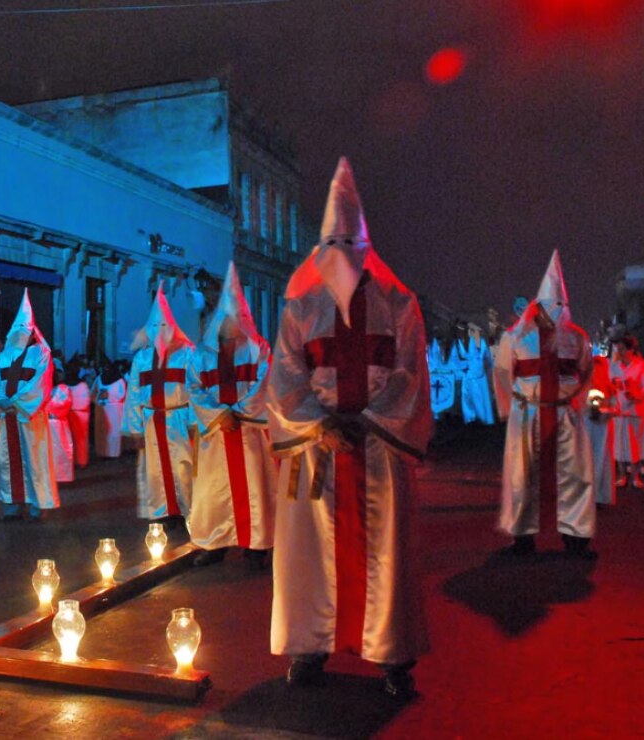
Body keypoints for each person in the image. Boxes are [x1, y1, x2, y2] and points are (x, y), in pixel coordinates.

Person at [267, 157, 433, 698]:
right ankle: (309, 646)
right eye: (331, 244)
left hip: (377, 448)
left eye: (348, 243)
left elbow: (411, 373)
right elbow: (285, 377)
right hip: (317, 450)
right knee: (309, 553)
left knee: (385, 550)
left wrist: (369, 421)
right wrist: (319, 426)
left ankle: (392, 654)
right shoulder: (300, 308)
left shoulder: (398, 304)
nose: (340, 255)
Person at [493, 250, 595, 558]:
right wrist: (511, 409)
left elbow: (587, 372)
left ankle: (576, 536)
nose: (556, 311)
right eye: (552, 305)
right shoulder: (516, 336)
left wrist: (578, 402)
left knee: (574, 475)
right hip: (528, 414)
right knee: (522, 475)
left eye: (561, 306)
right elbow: (502, 373)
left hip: (565, 415)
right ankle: (522, 536)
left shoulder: (577, 338)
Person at [188, 262, 275, 569]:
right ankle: (215, 543)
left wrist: (237, 414)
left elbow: (266, 383)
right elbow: (194, 388)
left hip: (249, 432)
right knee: (214, 491)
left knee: (255, 487)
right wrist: (218, 416)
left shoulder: (258, 349)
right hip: (217, 435)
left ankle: (256, 546)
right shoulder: (202, 354)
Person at [123, 284, 198, 523]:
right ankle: (162, 514)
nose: (159, 331)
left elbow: (196, 389)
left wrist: (193, 421)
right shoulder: (142, 358)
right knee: (154, 470)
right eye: (155, 326)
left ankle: (188, 513)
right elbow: (134, 394)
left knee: (183, 468)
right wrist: (135, 428)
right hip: (151, 422)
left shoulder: (187, 354)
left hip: (178, 420)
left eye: (163, 326)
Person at [0, 291, 59, 522]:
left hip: (29, 418)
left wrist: (15, 403)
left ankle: (38, 505)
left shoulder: (41, 354)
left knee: (34, 461)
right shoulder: (5, 356)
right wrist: (0, 403)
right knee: (8, 461)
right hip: (8, 418)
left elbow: (41, 384)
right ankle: (13, 504)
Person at [609, 335, 644, 489]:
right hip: (619, 409)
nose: (619, 352)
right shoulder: (613, 366)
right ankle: (621, 475)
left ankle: (635, 476)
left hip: (636, 410)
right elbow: (608, 383)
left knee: (636, 444)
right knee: (618, 444)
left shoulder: (642, 365)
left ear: (631, 350)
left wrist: (636, 394)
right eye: (617, 349)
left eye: (622, 349)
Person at [586, 350, 618, 507]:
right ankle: (589, 495)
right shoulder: (584, 386)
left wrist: (606, 412)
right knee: (589, 458)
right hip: (588, 427)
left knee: (600, 458)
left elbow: (615, 405)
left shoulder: (609, 388)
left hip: (601, 428)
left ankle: (599, 494)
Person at [457, 324, 495, 425]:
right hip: (467, 377)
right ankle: (470, 419)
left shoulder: (481, 343)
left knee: (480, 400)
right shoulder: (461, 342)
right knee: (467, 399)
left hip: (479, 378)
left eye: (472, 330)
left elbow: (487, 360)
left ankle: (482, 419)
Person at [94, 362, 127, 458]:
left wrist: (109, 395)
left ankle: (114, 453)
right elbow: (95, 391)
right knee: (104, 431)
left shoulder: (120, 380)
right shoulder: (99, 378)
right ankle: (104, 452)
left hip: (115, 408)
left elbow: (122, 394)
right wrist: (100, 398)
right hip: (103, 407)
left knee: (114, 431)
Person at [48, 381, 75, 483]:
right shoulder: (41, 387)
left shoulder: (63, 388)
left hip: (59, 424)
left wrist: (49, 407)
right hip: (45, 424)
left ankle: (62, 477)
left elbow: (65, 403)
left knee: (61, 451)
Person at [66, 367, 92, 468]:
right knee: (77, 439)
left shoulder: (78, 385)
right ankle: (78, 461)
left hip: (76, 414)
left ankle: (80, 461)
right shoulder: (82, 385)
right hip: (75, 414)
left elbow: (85, 401)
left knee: (78, 439)